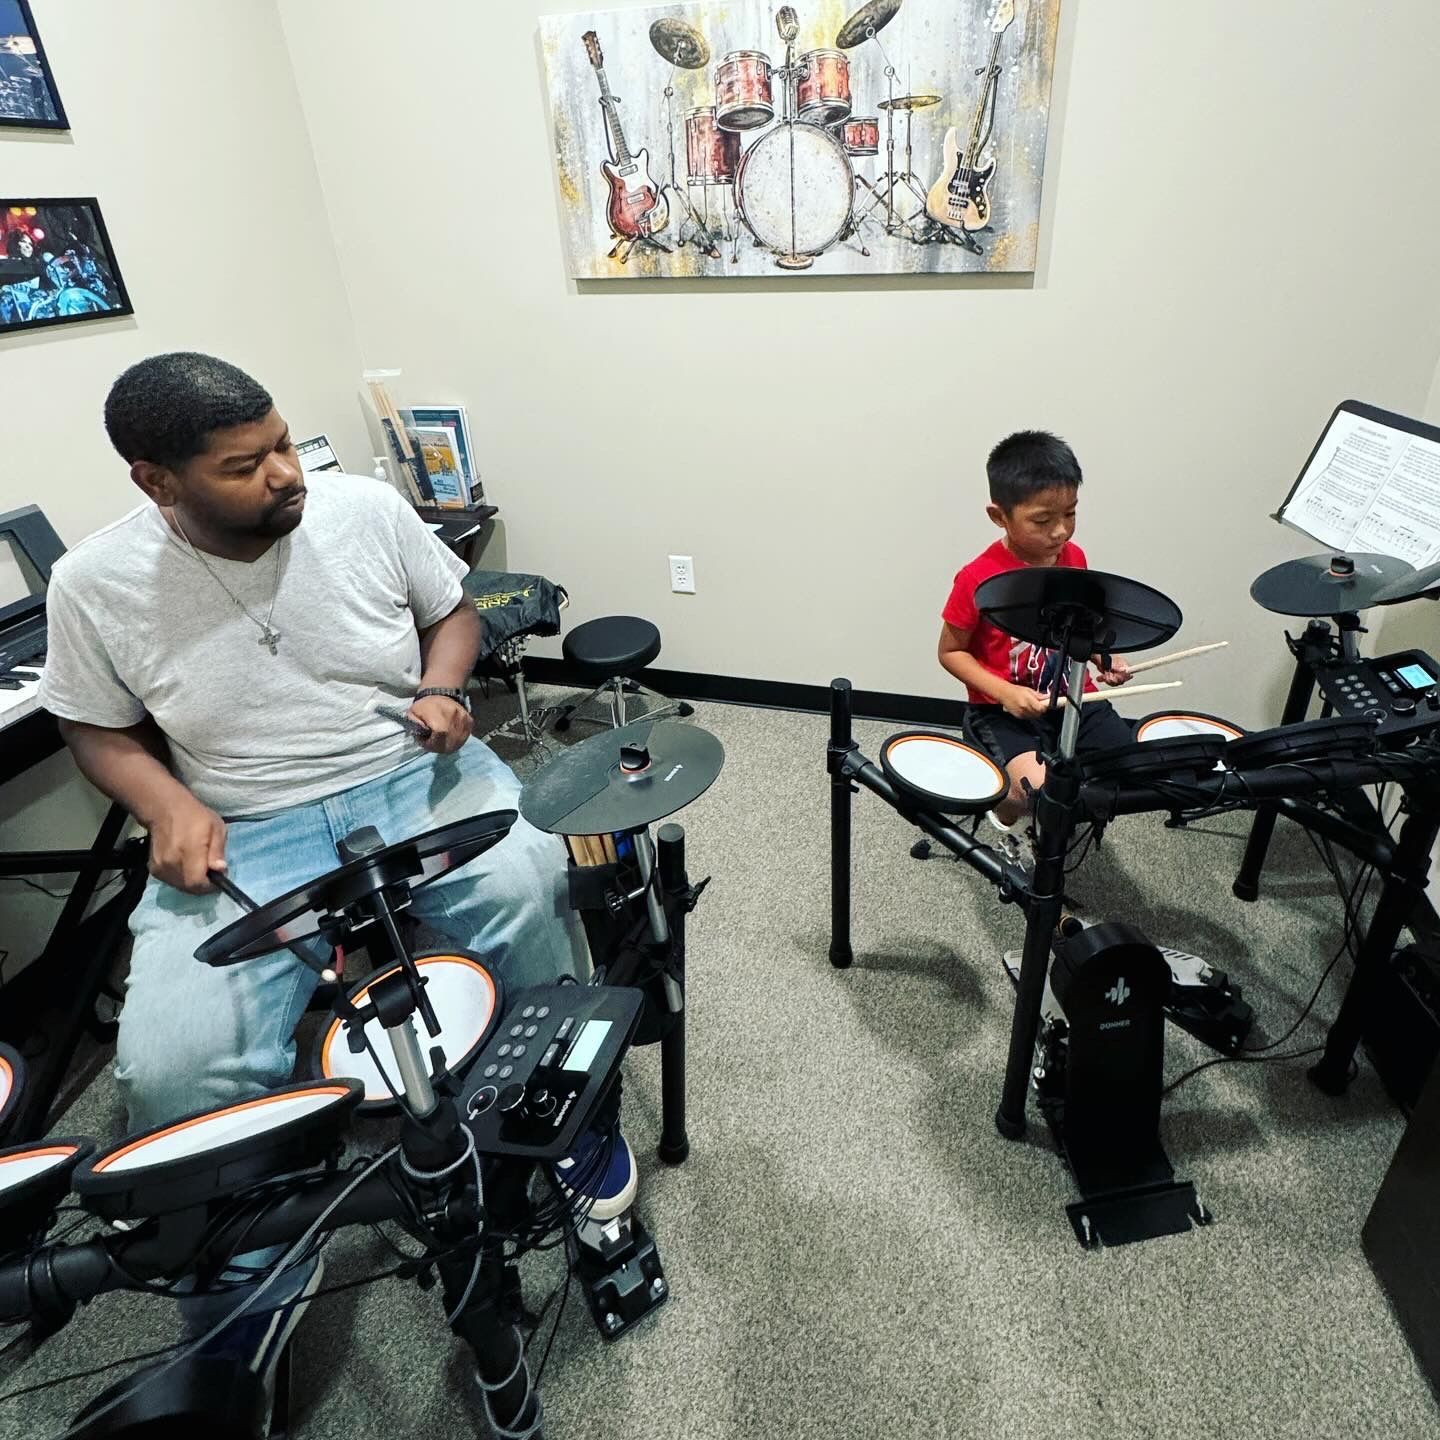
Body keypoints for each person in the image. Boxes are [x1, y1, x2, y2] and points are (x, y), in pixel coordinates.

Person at [38, 351, 588, 1392]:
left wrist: (440, 686)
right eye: (246, 465)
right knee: (174, 1061)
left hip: (408, 770)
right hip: (247, 818)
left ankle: (555, 1130)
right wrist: (169, 804)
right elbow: (93, 727)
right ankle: (244, 1272)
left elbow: (455, 610)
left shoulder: (365, 510)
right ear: (156, 481)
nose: (287, 473)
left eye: (284, 443)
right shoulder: (92, 582)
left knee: (530, 885)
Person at [938, 430, 1132, 826]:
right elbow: (950, 652)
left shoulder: (1073, 557)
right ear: (999, 517)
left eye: (1071, 514)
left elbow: (1080, 627)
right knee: (1036, 795)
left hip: (1071, 695)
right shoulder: (978, 578)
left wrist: (1102, 657)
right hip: (1001, 709)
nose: (1060, 531)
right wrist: (1006, 692)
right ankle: (1005, 814)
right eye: (1042, 520)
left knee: (1124, 769)